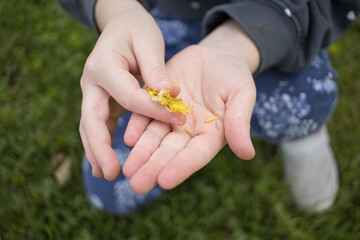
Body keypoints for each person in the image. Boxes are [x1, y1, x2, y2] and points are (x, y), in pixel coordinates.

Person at [58, 0, 359, 214]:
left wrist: (237, 43)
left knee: (303, 104)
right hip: (155, 24)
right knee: (111, 190)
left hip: (276, 23)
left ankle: (301, 137)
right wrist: (116, 9)